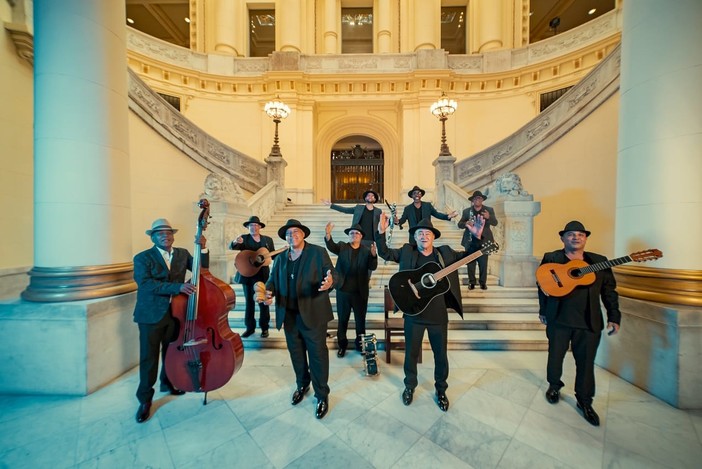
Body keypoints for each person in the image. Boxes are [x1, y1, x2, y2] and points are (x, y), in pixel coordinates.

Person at [376, 215, 483, 411]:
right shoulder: (407, 252)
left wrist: (475, 237)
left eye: (428, 233)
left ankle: (441, 390)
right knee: (411, 354)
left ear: (434, 237)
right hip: (414, 314)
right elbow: (385, 253)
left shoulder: (446, 254)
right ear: (414, 238)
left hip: (438, 316)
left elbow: (471, 255)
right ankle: (410, 386)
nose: (424, 236)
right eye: (419, 233)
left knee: (440, 356)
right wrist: (381, 233)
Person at [537, 220, 621, 427]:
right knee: (555, 356)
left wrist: (614, 316)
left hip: (588, 321)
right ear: (563, 238)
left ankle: (584, 401)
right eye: (571, 234)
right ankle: (554, 386)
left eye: (580, 234)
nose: (576, 237)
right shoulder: (552, 258)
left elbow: (609, 291)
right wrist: (543, 310)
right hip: (559, 319)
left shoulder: (599, 262)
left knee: (585, 363)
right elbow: (543, 285)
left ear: (585, 238)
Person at [132, 218, 208, 423]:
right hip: (150, 315)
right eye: (160, 233)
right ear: (153, 237)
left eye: (168, 233)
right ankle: (145, 399)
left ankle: (168, 382)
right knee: (149, 358)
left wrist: (203, 248)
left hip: (176, 313)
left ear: (173, 236)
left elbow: (202, 269)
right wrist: (177, 288)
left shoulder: (182, 253)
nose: (165, 236)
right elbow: (146, 284)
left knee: (171, 352)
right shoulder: (142, 257)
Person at [264, 219, 337, 419]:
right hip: (288, 315)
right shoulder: (280, 259)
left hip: (313, 314)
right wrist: (268, 293)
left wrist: (330, 282)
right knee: (296, 354)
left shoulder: (317, 252)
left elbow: (333, 275)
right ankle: (302, 385)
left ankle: (322, 394)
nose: (292, 235)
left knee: (317, 355)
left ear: (303, 234)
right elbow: (271, 283)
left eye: (296, 232)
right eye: (288, 233)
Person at [324, 222, 378, 357]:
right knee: (343, 320)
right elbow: (331, 246)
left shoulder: (366, 250)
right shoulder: (342, 246)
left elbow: (373, 266)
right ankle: (342, 345)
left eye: (357, 233)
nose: (354, 235)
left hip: (360, 293)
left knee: (360, 321)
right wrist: (328, 234)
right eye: (351, 233)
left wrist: (373, 255)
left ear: (361, 237)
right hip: (343, 291)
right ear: (349, 236)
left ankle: (361, 345)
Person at [229, 215, 275, 338]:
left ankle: (265, 328)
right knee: (250, 302)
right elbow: (232, 247)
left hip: (262, 275)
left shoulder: (267, 240)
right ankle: (250, 328)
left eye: (255, 225)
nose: (253, 227)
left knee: (263, 301)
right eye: (251, 226)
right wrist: (235, 242)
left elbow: (273, 255)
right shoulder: (244, 239)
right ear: (248, 227)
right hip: (247, 275)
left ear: (260, 227)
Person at [458, 190, 498, 290]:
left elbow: (495, 223)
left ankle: (483, 283)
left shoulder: (489, 210)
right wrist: (466, 223)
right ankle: (471, 282)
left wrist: (488, 217)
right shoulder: (467, 211)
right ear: (472, 200)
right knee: (470, 263)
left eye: (479, 198)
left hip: (484, 241)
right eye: (475, 198)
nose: (477, 200)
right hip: (470, 241)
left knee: (483, 263)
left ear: (482, 200)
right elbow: (460, 224)